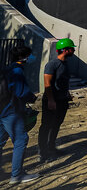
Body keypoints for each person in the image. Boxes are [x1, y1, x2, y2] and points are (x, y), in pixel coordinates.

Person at [0, 46, 40, 184]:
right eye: (30, 55)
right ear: (24, 57)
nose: (32, 57)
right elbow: (22, 92)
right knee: (21, 140)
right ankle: (17, 175)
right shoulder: (17, 71)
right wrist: (33, 98)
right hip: (12, 111)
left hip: (2, 110)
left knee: (1, 141)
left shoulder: (7, 68)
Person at [38, 37, 75, 162]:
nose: (73, 50)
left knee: (56, 124)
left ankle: (51, 147)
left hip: (62, 100)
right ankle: (43, 152)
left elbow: (63, 82)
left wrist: (67, 94)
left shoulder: (66, 64)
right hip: (52, 100)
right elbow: (47, 83)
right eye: (71, 48)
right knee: (46, 126)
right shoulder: (52, 64)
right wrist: (50, 100)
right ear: (65, 50)